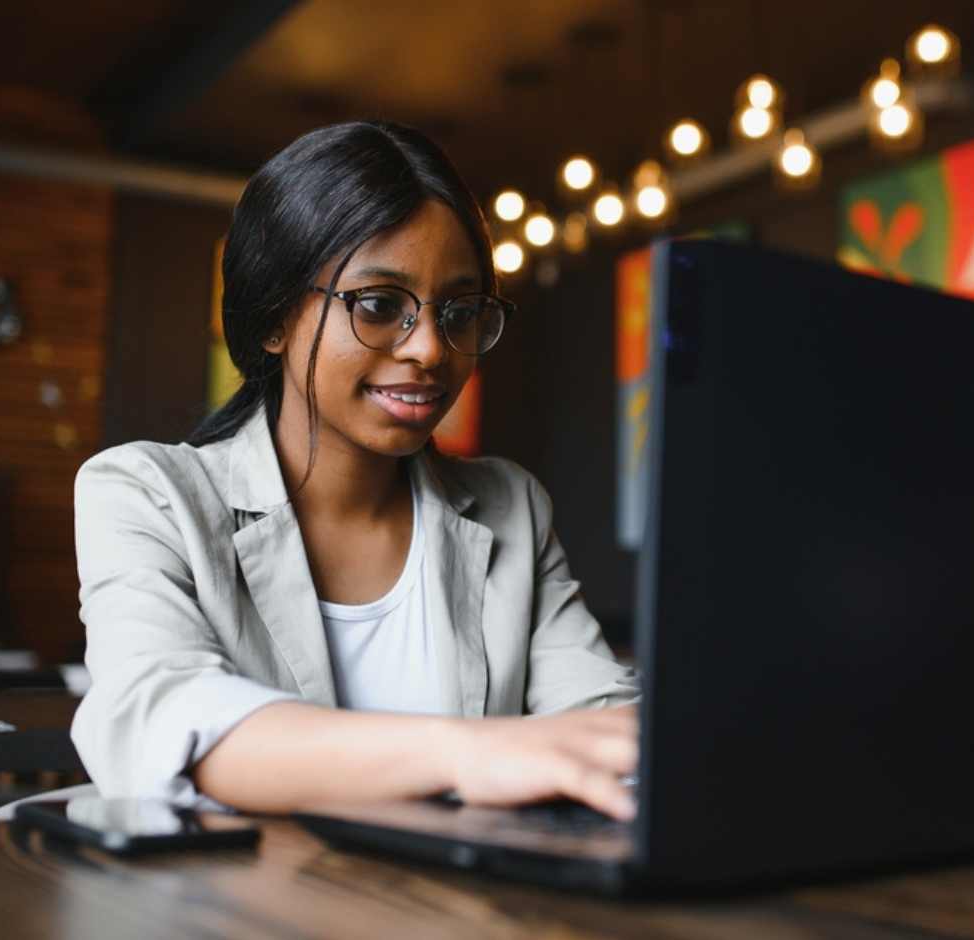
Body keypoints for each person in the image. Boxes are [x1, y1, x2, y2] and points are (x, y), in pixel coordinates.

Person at [71, 121, 640, 822]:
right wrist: (471, 753)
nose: (431, 349)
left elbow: (604, 724)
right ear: (274, 320)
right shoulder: (146, 496)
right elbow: (168, 726)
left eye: (460, 311)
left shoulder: (509, 506)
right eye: (379, 306)